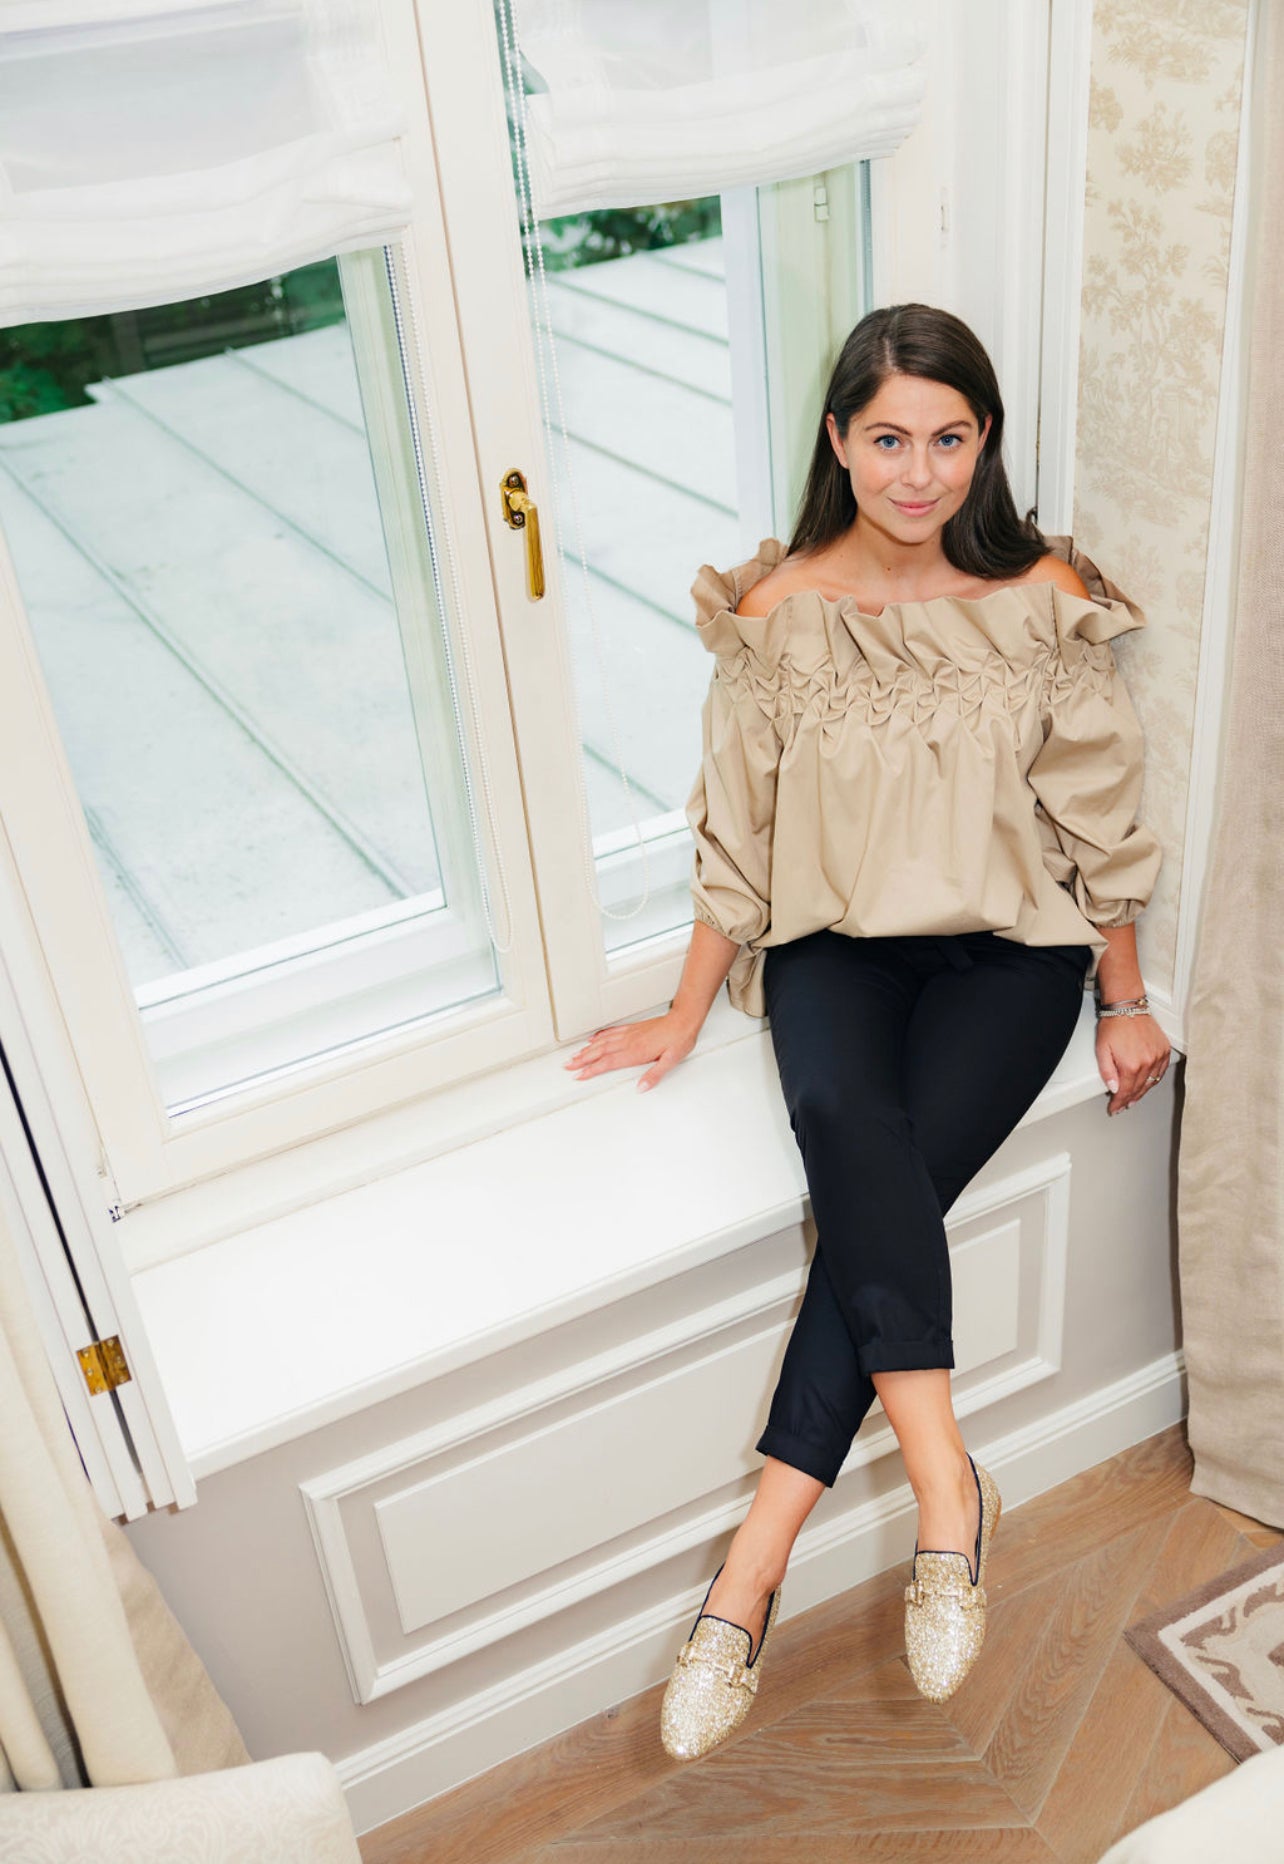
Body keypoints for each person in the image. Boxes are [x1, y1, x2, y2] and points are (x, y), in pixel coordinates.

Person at [562, 302, 1171, 1759]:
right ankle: (949, 1492)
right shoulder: (778, 614)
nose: (919, 473)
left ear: (984, 442)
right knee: (847, 1122)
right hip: (836, 942)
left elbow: (1098, 813)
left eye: (949, 439)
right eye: (889, 439)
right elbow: (742, 835)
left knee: (867, 1211)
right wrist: (684, 1011)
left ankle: (749, 1573)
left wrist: (1125, 995)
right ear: (838, 441)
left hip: (1006, 952)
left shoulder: (1042, 593)